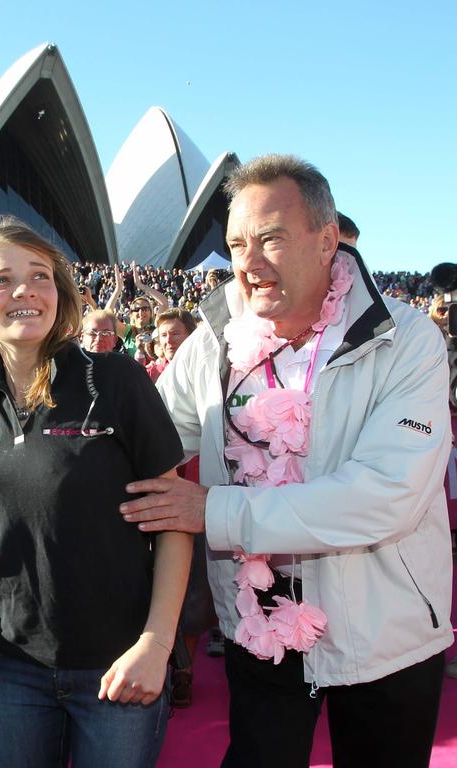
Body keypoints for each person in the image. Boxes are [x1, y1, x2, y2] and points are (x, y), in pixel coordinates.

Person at [120, 154, 453, 768]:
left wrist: (215, 511)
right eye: (236, 243)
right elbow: (147, 441)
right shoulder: (213, 340)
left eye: (271, 239)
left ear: (327, 241)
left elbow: (385, 495)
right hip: (257, 624)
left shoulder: (406, 339)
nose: (247, 263)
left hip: (385, 633)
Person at [0, 217, 192, 768]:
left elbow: (174, 519)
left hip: (119, 663)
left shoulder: (116, 380)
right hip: (14, 669)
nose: (24, 290)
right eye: (1, 279)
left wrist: (156, 645)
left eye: (40, 275)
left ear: (60, 293)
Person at [106, 262, 169, 359]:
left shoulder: (157, 325)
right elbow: (107, 315)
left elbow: (164, 303)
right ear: (131, 314)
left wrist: (141, 286)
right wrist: (118, 289)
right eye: (136, 309)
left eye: (145, 308)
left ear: (151, 312)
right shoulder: (127, 331)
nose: (141, 312)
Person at [146, 309, 195, 382]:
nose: (168, 340)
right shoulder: (151, 374)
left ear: (191, 335)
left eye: (175, 334)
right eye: (164, 335)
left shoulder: (206, 367)